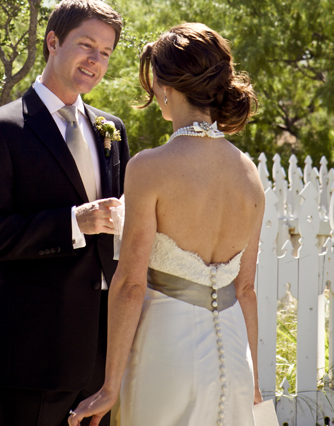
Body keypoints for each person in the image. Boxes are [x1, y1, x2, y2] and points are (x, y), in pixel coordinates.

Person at [69, 22, 264, 426]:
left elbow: (130, 283)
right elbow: (245, 289)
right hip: (234, 354)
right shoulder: (248, 173)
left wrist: (108, 388)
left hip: (167, 353)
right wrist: (255, 382)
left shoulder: (150, 167)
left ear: (163, 87)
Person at [0, 0, 130, 426]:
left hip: (101, 355)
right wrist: (75, 223)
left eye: (106, 52)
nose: (96, 60)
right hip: (32, 353)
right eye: (86, 45)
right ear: (53, 41)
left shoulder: (112, 129)